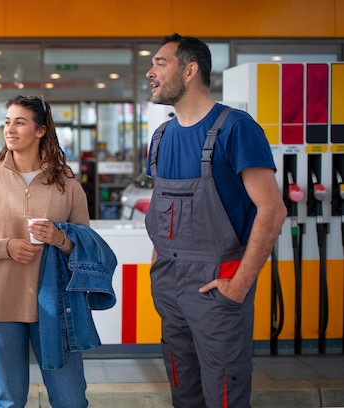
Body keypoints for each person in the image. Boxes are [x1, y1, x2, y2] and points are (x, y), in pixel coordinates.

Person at [144, 34, 287, 408]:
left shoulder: (235, 128)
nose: (150, 72)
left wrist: (240, 284)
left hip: (217, 285)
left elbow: (273, 210)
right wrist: (161, 267)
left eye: (160, 63)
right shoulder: (161, 138)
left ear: (190, 70)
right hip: (170, 287)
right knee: (182, 387)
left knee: (224, 393)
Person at [0, 95, 97, 408]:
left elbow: (86, 245)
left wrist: (60, 238)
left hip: (57, 308)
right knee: (10, 401)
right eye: (7, 122)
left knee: (72, 401)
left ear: (40, 130)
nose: (10, 129)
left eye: (20, 122)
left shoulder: (67, 183)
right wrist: (5, 247)